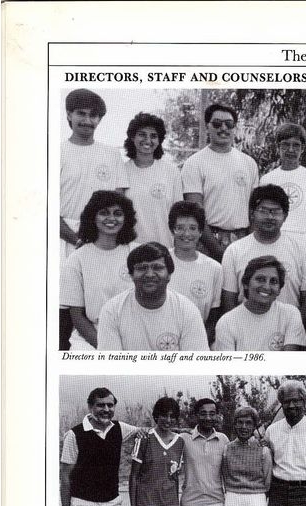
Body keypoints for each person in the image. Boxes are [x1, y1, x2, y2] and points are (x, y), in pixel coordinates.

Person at [219, 185, 306, 325]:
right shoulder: (234, 251)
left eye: (275, 212)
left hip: (288, 332)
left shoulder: (303, 249)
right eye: (263, 211)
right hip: (245, 331)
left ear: (285, 216)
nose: (270, 217)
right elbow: (229, 302)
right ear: (252, 214)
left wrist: (291, 332)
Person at [60, 190, 140, 351]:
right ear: (92, 217)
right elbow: (77, 317)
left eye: (118, 214)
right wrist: (107, 348)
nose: (111, 218)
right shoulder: (77, 259)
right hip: (91, 339)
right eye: (104, 213)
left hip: (136, 334)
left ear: (126, 219)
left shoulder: (138, 253)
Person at [96, 242, 210, 351]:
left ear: (169, 274)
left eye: (157, 267)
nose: (150, 274)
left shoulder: (187, 310)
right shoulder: (112, 310)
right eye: (142, 268)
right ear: (131, 275)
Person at [181, 103, 260, 261]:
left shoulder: (249, 163)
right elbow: (195, 212)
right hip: (206, 241)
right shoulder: (194, 163)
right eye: (217, 123)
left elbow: (254, 209)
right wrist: (217, 250)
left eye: (229, 124)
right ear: (207, 126)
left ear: (234, 128)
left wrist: (250, 243)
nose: (223, 128)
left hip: (242, 241)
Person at [60, 89, 128, 257]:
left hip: (102, 239)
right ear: (69, 115)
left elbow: (118, 203)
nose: (87, 121)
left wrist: (101, 236)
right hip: (62, 240)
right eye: (81, 114)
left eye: (93, 116)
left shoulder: (111, 154)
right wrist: (75, 239)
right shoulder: (56, 152)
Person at [259, 122, 306, 255]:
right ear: (278, 147)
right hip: (275, 242)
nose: (291, 150)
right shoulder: (267, 179)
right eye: (285, 144)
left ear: (303, 149)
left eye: (296, 145)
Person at [59, 387, 135, 506]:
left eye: (110, 405)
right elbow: (65, 476)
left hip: (113, 504)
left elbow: (145, 431)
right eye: (100, 405)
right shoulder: (74, 435)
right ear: (90, 407)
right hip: (83, 505)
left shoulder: (119, 428)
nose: (106, 409)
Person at [213, 255, 306, 352]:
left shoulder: (290, 314)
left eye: (273, 281)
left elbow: (289, 361)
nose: (267, 287)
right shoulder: (227, 322)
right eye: (260, 279)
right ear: (246, 284)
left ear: (279, 289)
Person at [121, 112, 184, 247]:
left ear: (159, 140)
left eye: (153, 136)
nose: (148, 140)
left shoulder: (172, 172)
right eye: (142, 134)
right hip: (130, 249)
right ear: (132, 137)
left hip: (165, 247)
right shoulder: (121, 171)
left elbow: (179, 216)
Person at [166, 201, 224, 343]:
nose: (186, 234)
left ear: (200, 231)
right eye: (179, 228)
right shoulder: (161, 261)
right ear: (172, 230)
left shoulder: (214, 268)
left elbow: (213, 316)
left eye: (192, 228)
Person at [129, 397, 185, 506]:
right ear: (156, 416)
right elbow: (134, 476)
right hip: (146, 504)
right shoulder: (144, 438)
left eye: (172, 416)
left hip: (170, 505)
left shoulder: (180, 442)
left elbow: (174, 477)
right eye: (164, 415)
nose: (168, 420)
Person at [179, 397, 229, 506]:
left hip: (217, 503)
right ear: (196, 415)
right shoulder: (184, 439)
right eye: (203, 413)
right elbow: (165, 436)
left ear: (217, 416)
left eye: (212, 414)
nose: (208, 418)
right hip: (190, 503)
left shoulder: (223, 439)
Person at [220, 406, 273, 506]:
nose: (243, 427)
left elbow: (267, 480)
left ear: (254, 426)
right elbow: (225, 475)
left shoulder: (263, 450)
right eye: (240, 422)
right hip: (232, 497)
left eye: (248, 423)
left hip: (257, 497)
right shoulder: (227, 448)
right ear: (235, 425)